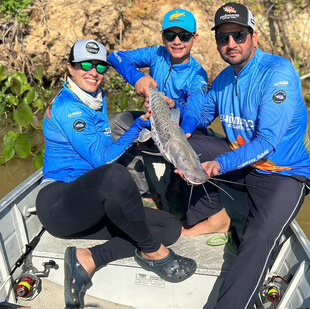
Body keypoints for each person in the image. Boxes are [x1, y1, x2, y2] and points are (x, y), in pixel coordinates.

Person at [36, 39, 196, 308]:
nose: (93, 71)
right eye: (85, 64)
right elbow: (101, 159)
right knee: (114, 175)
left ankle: (89, 258)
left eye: (100, 66)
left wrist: (147, 120)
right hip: (59, 204)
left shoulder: (95, 99)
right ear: (70, 68)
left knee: (169, 227)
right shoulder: (68, 107)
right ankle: (154, 252)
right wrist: (136, 128)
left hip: (92, 201)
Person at [177, 3, 310, 308]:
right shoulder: (225, 79)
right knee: (189, 144)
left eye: (238, 35)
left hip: (282, 173)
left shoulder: (278, 73)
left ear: (254, 36)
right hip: (242, 166)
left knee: (257, 238)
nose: (231, 44)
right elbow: (198, 118)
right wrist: (168, 114)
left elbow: (267, 142)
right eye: (223, 39)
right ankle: (215, 218)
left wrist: (217, 164)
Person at [107, 8, 207, 213]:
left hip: (179, 129)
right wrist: (138, 78)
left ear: (194, 39)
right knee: (113, 124)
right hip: (150, 119)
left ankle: (176, 190)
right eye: (170, 35)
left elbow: (195, 114)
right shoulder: (156, 54)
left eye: (184, 36)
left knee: (193, 145)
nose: (177, 41)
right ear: (163, 37)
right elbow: (114, 56)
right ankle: (147, 191)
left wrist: (176, 108)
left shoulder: (198, 75)